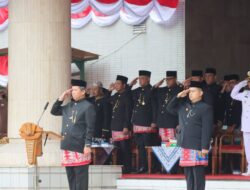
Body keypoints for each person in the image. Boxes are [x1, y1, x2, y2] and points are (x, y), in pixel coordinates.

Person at [166, 81, 213, 190]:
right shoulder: (183, 106)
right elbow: (169, 108)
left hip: (197, 146)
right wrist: (178, 96)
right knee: (188, 176)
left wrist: (205, 146)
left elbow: (207, 128)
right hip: (184, 144)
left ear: (201, 93)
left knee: (198, 175)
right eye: (189, 91)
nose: (190, 93)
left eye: (193, 91)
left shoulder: (206, 108)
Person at [51, 79, 96, 190]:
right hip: (67, 145)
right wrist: (61, 98)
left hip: (80, 146)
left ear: (83, 91)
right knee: (71, 178)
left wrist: (88, 145)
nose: (72, 92)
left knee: (80, 179)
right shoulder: (69, 106)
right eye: (72, 90)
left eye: (75, 90)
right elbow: (54, 111)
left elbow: (90, 128)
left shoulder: (88, 106)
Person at [129, 70, 159, 173]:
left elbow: (155, 107)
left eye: (142, 78)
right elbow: (126, 95)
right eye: (139, 78)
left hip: (148, 124)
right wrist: (130, 85)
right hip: (137, 123)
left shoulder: (152, 90)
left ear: (148, 79)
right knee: (141, 147)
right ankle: (143, 167)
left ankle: (153, 167)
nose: (140, 80)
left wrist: (154, 121)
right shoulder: (137, 91)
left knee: (149, 147)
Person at [109, 75, 132, 174]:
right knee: (116, 150)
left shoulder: (127, 96)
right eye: (116, 83)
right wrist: (110, 91)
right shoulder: (115, 96)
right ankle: (118, 168)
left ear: (124, 85)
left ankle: (127, 169)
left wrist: (126, 126)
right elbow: (106, 101)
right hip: (115, 127)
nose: (116, 85)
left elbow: (128, 113)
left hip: (123, 128)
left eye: (118, 83)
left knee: (125, 150)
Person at [153, 71, 183, 142]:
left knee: (172, 145)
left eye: (170, 79)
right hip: (162, 122)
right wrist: (156, 86)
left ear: (175, 79)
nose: (167, 81)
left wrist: (179, 123)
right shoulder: (162, 90)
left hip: (172, 123)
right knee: (164, 145)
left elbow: (181, 108)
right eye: (167, 79)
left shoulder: (179, 90)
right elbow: (151, 95)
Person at [231, 75, 250, 176]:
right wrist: (243, 82)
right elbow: (233, 94)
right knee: (248, 148)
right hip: (247, 126)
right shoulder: (245, 94)